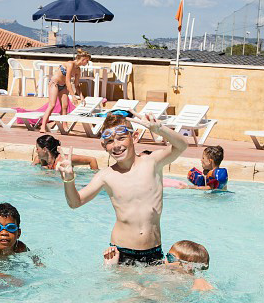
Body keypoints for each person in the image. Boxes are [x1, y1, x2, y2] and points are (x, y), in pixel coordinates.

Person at [57, 111, 187, 266]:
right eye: (110, 141)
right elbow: (75, 202)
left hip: (154, 251)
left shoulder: (152, 162)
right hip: (121, 252)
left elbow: (182, 145)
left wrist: (159, 129)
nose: (116, 145)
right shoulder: (105, 175)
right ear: (104, 146)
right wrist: (68, 179)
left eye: (121, 138)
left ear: (135, 137)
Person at [105, 239, 213, 292]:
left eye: (170, 258)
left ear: (187, 266)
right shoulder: (164, 268)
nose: (165, 259)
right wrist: (112, 265)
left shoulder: (184, 281)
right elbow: (133, 273)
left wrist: (138, 288)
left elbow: (163, 300)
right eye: (167, 255)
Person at [39, 48, 90, 133]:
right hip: (54, 83)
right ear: (83, 59)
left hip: (63, 86)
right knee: (52, 105)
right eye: (87, 61)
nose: (87, 63)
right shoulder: (70, 64)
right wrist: (73, 95)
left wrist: (82, 97)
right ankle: (43, 126)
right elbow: (68, 80)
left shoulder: (78, 70)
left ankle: (65, 127)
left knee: (65, 106)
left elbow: (77, 85)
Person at [163, 145, 228, 190]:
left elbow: (209, 188)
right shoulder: (213, 173)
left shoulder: (216, 174)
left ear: (210, 161)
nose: (201, 160)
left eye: (203, 158)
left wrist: (188, 187)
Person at [33, 134, 98, 171]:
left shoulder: (64, 159)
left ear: (44, 149)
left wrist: (95, 178)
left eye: (37, 149)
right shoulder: (39, 159)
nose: (36, 151)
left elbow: (92, 160)